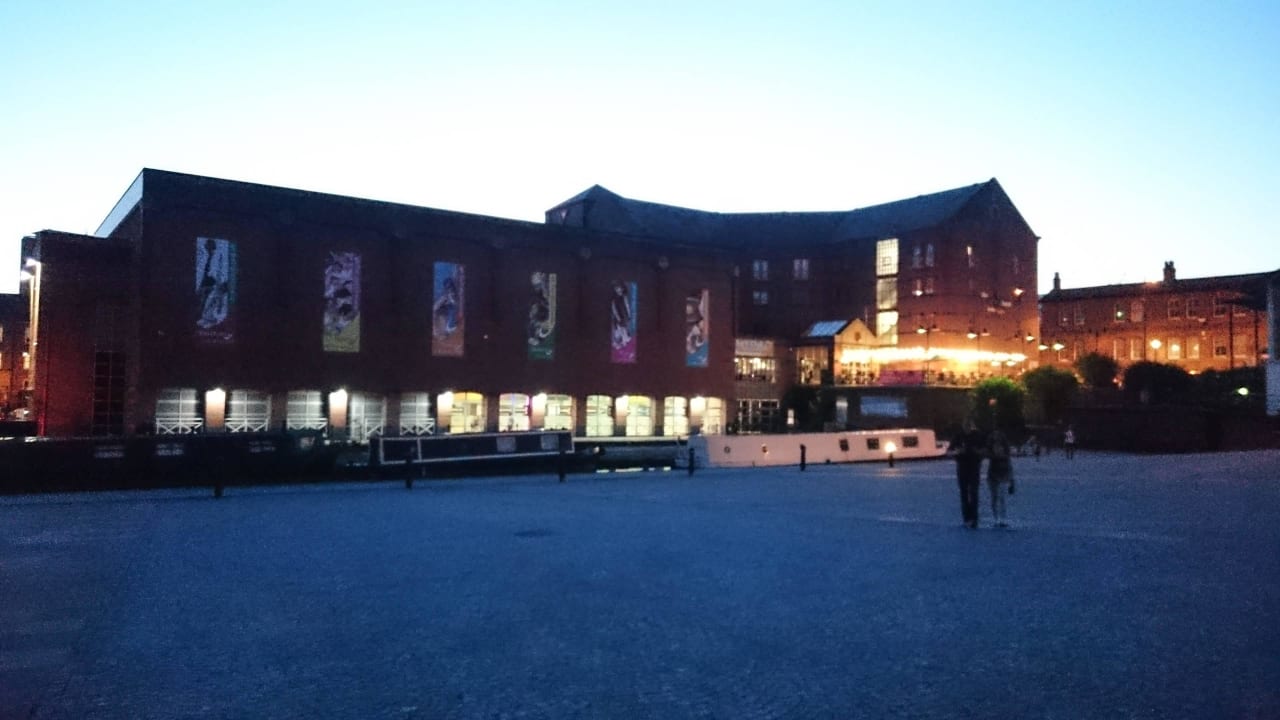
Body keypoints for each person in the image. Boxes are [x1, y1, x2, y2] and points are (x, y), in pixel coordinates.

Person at [947, 420, 985, 529]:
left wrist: (977, 452)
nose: (967, 428)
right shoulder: (958, 436)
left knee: (973, 493)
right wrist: (958, 452)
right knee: (964, 494)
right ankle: (967, 518)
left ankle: (974, 518)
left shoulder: (977, 436)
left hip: (974, 467)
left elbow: (984, 450)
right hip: (962, 467)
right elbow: (949, 452)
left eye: (969, 426)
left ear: (971, 426)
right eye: (965, 426)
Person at [986, 429, 1015, 528]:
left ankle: (1002, 518)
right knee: (994, 497)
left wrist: (1011, 480)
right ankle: (996, 518)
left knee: (1001, 497)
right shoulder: (991, 452)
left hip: (1003, 475)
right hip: (993, 475)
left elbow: (1009, 466)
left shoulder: (1005, 454)